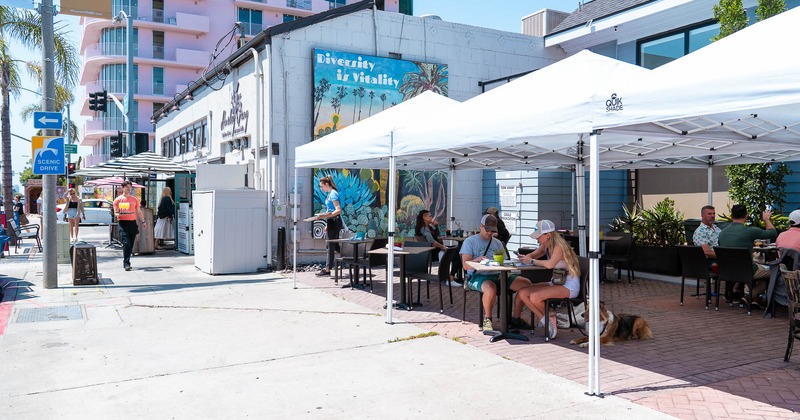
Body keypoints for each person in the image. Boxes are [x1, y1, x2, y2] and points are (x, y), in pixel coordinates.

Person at [460, 214, 532, 331]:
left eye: (492, 231)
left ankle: (515, 318)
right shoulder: (470, 241)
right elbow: (465, 265)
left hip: (499, 275)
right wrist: (477, 260)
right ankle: (487, 319)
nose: (489, 233)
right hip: (478, 276)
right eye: (487, 230)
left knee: (526, 283)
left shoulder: (497, 243)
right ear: (481, 226)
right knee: (490, 288)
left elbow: (504, 261)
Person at [516, 220, 581, 339]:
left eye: (539, 236)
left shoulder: (559, 247)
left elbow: (550, 264)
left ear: (548, 235)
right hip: (556, 282)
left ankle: (550, 318)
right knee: (522, 292)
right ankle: (546, 320)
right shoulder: (546, 246)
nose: (537, 239)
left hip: (568, 285)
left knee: (535, 297)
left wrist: (530, 261)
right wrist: (527, 257)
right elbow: (533, 255)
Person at [718, 204, 777, 307]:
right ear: (746, 216)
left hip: (727, 271)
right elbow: (772, 233)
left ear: (731, 216)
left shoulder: (722, 233)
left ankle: (751, 296)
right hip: (747, 271)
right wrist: (766, 219)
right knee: (775, 271)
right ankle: (751, 295)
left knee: (758, 267)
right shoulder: (750, 231)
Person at [113, 180, 145, 271]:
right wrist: (119, 214)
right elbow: (115, 213)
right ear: (123, 188)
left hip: (132, 223)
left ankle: (127, 258)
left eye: (130, 188)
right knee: (126, 243)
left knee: (130, 244)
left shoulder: (134, 199)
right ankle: (126, 263)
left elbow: (138, 211)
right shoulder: (118, 200)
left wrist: (143, 222)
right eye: (126, 188)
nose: (128, 189)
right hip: (122, 223)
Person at [315, 175, 343, 277]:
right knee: (334, 245)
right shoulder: (330, 194)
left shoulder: (333, 194)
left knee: (330, 246)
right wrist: (327, 223)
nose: (321, 188)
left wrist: (325, 216)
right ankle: (352, 255)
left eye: (322, 186)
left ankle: (327, 269)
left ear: (327, 184)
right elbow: (331, 210)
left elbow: (338, 210)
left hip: (334, 221)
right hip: (332, 221)